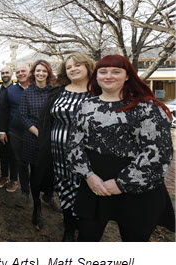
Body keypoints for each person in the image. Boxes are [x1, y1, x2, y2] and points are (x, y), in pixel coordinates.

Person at [67, 54, 175, 241]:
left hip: (137, 188)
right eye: (103, 72)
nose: (109, 76)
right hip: (94, 184)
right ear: (96, 76)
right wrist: (89, 176)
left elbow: (158, 153)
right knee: (85, 238)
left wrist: (120, 183)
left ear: (127, 76)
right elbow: (73, 146)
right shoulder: (86, 106)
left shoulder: (147, 108)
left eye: (116, 71)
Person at [35, 52, 96, 241]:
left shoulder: (98, 92)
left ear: (87, 67)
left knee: (85, 191)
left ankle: (83, 227)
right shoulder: (58, 91)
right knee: (64, 189)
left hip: (87, 157)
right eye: (69, 67)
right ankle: (68, 228)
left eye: (77, 65)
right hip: (58, 155)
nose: (73, 69)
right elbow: (47, 120)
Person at [19, 60, 55, 227]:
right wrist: (39, 133)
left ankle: (49, 195)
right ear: (33, 73)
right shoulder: (27, 92)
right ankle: (37, 208)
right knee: (35, 173)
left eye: (44, 71)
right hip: (33, 138)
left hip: (52, 139)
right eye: (38, 71)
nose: (41, 73)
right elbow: (23, 116)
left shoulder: (55, 92)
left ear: (48, 73)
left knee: (50, 173)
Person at [0, 63, 31, 202]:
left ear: (29, 72)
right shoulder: (10, 91)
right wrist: (2, 130)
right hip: (14, 131)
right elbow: (3, 112)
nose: (21, 74)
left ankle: (45, 194)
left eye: (23, 71)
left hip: (34, 133)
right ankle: (23, 191)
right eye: (18, 72)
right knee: (17, 160)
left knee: (34, 164)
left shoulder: (37, 89)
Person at [0, 66, 18, 191]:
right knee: (3, 154)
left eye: (7, 72)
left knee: (13, 155)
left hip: (13, 129)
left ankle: (14, 180)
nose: (5, 74)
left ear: (12, 74)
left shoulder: (17, 89)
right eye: (2, 73)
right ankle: (4, 176)